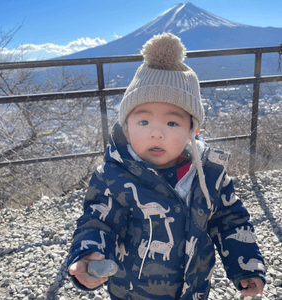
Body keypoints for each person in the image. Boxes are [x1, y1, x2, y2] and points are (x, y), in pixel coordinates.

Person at [67, 33, 266, 299]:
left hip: (194, 291)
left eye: (172, 123)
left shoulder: (210, 175)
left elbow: (230, 221)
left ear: (192, 131)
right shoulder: (112, 177)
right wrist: (89, 254)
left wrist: (247, 266)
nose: (156, 133)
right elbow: (98, 222)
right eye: (143, 122)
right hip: (133, 293)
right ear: (126, 128)